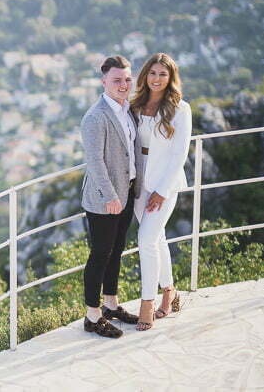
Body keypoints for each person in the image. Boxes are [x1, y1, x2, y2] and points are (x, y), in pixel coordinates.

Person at [79, 55, 143, 338]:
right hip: (105, 198)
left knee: (116, 251)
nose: (123, 84)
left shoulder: (128, 109)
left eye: (127, 79)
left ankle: (110, 305)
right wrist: (110, 195)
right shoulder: (95, 117)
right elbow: (95, 162)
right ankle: (92, 317)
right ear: (103, 81)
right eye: (117, 80)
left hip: (127, 190)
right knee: (100, 254)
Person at [130, 53, 191, 331]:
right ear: (146, 76)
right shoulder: (135, 105)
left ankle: (147, 303)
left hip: (163, 186)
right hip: (137, 185)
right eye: (152, 73)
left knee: (145, 240)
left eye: (162, 74)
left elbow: (179, 155)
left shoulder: (181, 109)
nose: (156, 79)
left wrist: (162, 191)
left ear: (170, 78)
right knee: (157, 239)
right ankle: (170, 292)